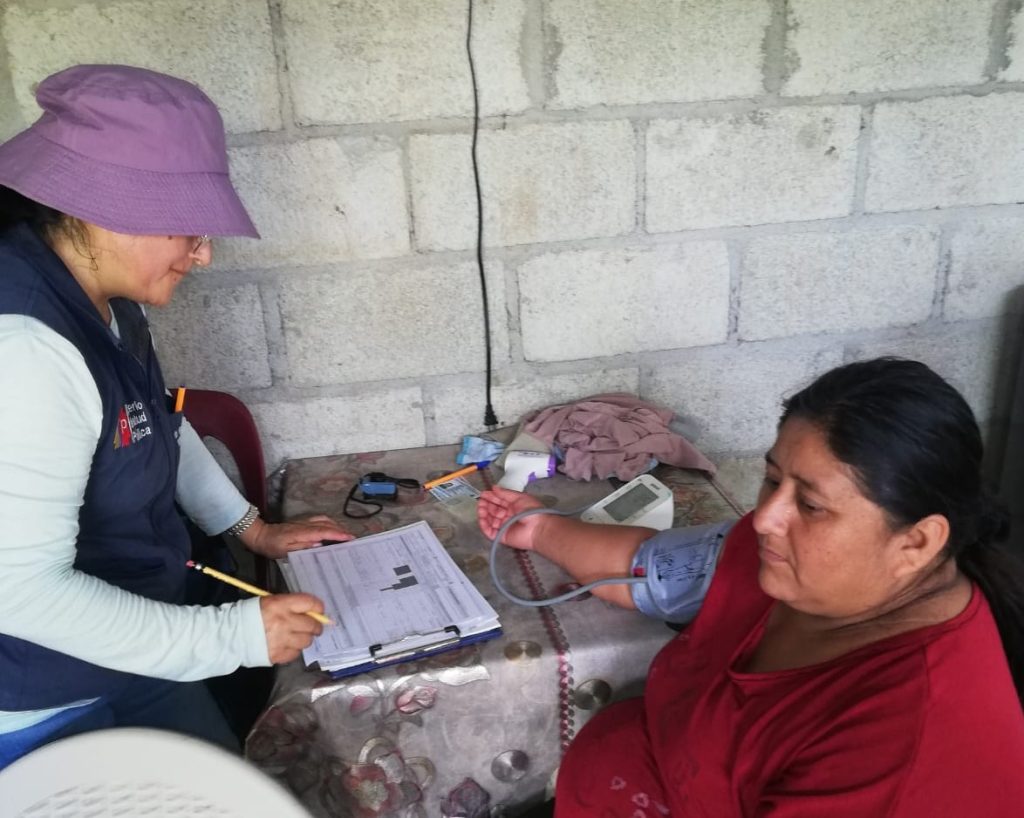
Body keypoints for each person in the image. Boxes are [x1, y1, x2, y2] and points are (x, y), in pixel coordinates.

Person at [479, 358, 1024, 817]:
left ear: (918, 543)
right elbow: (646, 569)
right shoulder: (783, 562)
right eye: (771, 479)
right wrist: (542, 528)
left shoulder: (908, 745)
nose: (766, 517)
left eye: (810, 504)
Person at [0, 64, 353, 769]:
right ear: (99, 205)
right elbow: (21, 593)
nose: (204, 252)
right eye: (186, 229)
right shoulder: (26, 351)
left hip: (133, 648)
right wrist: (232, 638)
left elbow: (155, 424)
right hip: (48, 698)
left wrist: (255, 528)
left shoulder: (109, 299)